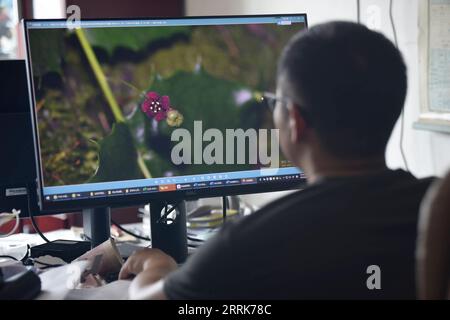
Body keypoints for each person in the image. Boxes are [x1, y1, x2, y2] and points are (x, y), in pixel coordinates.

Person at [119, 21, 434, 299]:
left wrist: (156, 265)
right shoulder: (436, 210)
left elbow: (150, 299)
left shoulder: (247, 245)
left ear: (295, 121)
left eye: (277, 103)